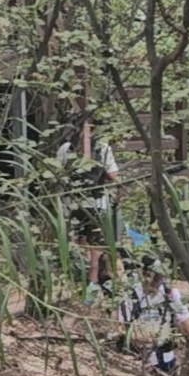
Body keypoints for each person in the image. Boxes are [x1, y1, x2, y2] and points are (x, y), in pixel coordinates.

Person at [56, 114, 119, 297]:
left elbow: (60, 174)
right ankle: (92, 278)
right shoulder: (103, 148)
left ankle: (77, 273)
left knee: (77, 237)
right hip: (96, 201)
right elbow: (113, 175)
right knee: (96, 240)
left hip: (72, 202)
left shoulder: (65, 148)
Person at [117, 255, 189, 376]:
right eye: (154, 277)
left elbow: (188, 323)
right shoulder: (130, 293)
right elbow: (122, 327)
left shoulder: (169, 293)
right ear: (143, 274)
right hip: (135, 358)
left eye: (160, 277)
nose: (156, 282)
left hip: (165, 359)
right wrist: (147, 336)